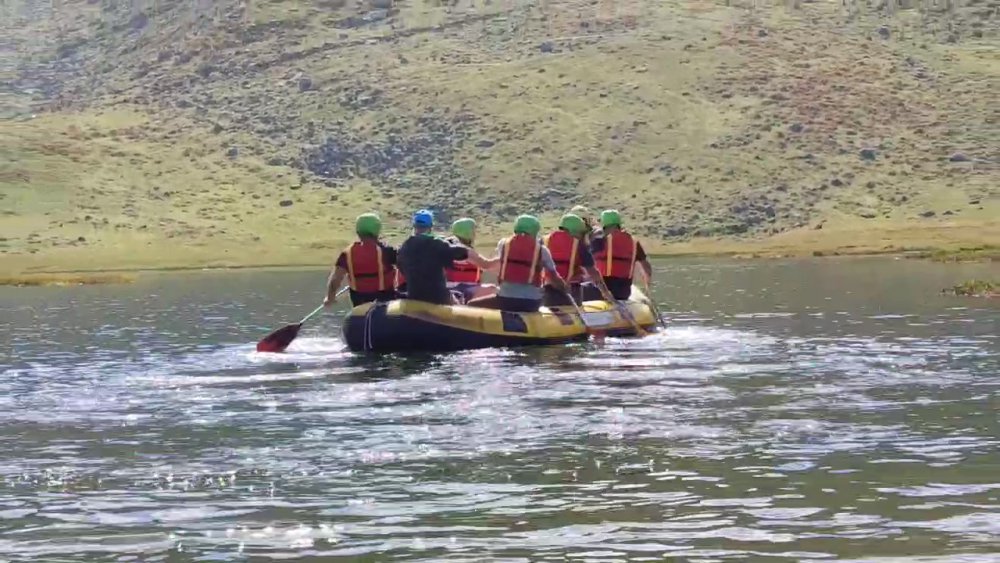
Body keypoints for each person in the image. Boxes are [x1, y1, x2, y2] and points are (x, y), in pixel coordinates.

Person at [467, 215, 568, 313]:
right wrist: (564, 289)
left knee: (471, 304)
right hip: (532, 303)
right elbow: (554, 278)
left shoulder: (503, 244)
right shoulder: (542, 250)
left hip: (505, 300)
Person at [397, 209, 495, 305]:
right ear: (430, 226)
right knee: (458, 301)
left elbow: (402, 273)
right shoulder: (439, 245)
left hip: (414, 297)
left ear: (414, 226)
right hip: (440, 298)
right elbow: (465, 253)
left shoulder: (403, 249)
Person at [324, 213, 399, 307]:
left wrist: (330, 297)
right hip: (385, 304)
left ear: (358, 231)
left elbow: (336, 279)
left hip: (359, 304)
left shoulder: (347, 253)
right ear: (377, 231)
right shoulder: (387, 251)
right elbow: (405, 269)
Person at [542, 213, 616, 306]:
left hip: (548, 292)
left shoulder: (545, 241)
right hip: (571, 292)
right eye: (582, 233)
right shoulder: (578, 245)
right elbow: (593, 273)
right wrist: (605, 293)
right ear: (575, 231)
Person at [586, 209, 653, 301]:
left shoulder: (598, 240)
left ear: (604, 224)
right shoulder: (633, 242)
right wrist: (647, 288)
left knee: (579, 286)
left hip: (601, 292)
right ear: (619, 223)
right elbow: (647, 268)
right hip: (623, 293)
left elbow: (587, 265)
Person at [445, 218, 498, 303]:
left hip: (452, 288)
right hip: (461, 289)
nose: (475, 234)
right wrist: (504, 258)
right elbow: (486, 264)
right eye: (473, 231)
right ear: (467, 232)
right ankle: (471, 306)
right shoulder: (462, 249)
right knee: (493, 289)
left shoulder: (449, 245)